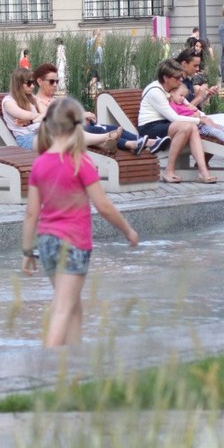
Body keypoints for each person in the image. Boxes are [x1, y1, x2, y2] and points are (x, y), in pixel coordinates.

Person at [21, 97, 139, 348]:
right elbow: (104, 206)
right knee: (63, 307)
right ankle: (49, 367)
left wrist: (26, 252)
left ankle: (74, 365)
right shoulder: (80, 162)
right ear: (79, 126)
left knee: (73, 305)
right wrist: (127, 229)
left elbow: (31, 213)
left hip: (47, 244)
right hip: (73, 244)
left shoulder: (40, 164)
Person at [33, 61, 154, 155]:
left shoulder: (55, 100)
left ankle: (144, 141)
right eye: (51, 82)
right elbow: (52, 119)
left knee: (113, 127)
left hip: (83, 127)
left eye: (57, 81)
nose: (55, 85)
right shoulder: (37, 101)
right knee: (101, 131)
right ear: (39, 81)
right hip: (71, 133)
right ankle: (133, 144)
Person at [137, 59, 216, 184]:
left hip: (164, 124)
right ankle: (169, 171)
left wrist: (201, 117)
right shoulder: (155, 91)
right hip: (149, 128)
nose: (180, 80)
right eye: (177, 78)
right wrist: (199, 120)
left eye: (180, 77)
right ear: (166, 78)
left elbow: (187, 106)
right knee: (186, 127)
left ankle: (203, 171)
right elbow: (174, 118)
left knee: (192, 127)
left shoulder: (171, 88)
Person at [2, 68, 42, 149]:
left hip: (37, 134)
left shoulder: (31, 97)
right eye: (29, 83)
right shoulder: (8, 102)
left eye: (33, 82)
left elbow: (48, 113)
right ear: (19, 84)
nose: (33, 86)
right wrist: (39, 116)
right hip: (25, 139)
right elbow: (25, 115)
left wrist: (31, 120)